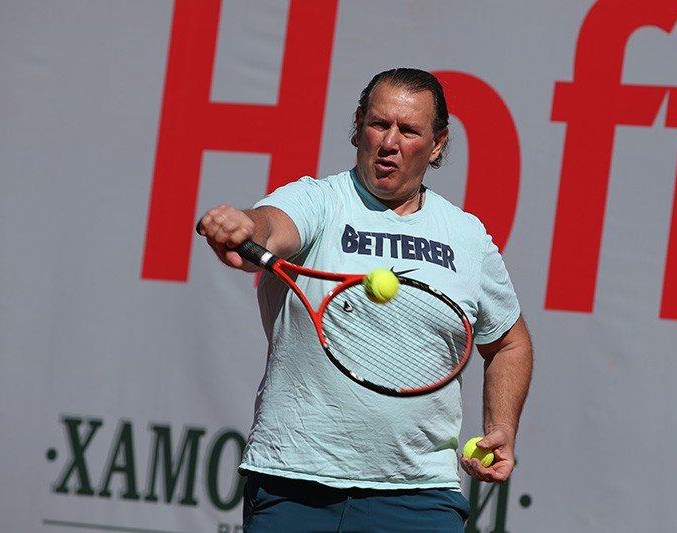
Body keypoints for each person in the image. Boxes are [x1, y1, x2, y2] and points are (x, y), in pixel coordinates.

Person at [198, 68, 533, 532]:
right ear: (359, 127)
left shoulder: (467, 237)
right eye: (379, 124)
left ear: (437, 144)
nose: (390, 142)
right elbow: (271, 227)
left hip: (419, 496)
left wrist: (502, 427)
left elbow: (509, 343)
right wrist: (245, 227)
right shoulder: (317, 200)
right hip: (294, 485)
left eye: (409, 130)